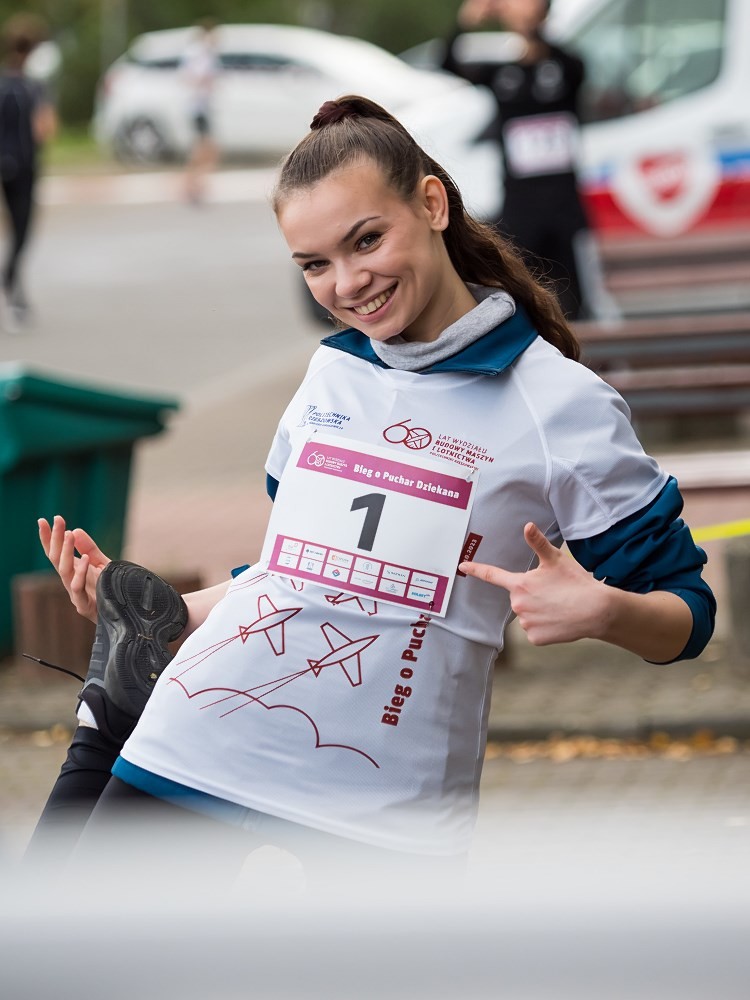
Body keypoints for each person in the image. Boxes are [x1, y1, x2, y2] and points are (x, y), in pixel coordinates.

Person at [25, 95, 714, 891]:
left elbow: (688, 616)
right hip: (201, 738)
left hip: (388, 811)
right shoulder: (331, 374)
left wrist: (603, 610)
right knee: (63, 939)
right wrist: (162, 615)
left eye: (367, 240)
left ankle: (111, 716)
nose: (349, 283)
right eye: (314, 264)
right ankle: (117, 708)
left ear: (432, 203)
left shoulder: (561, 405)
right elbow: (294, 579)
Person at [442, 0, 616, 320]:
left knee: (577, 296)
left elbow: (573, 62)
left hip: (564, 206)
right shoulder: (502, 74)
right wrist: (464, 24)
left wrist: (531, 25)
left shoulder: (565, 68)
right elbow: (449, 64)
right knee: (524, 292)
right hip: (521, 206)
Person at [0, 14, 57, 333]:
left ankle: (15, 291)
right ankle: (11, 284)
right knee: (21, 232)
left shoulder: (2, 83)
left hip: (4, 164)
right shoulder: (34, 87)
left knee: (12, 230)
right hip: (24, 167)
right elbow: (45, 129)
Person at [180, 18, 220, 205]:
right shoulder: (200, 54)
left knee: (205, 148)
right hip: (198, 106)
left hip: (201, 106)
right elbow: (195, 77)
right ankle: (192, 184)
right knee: (205, 148)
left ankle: (195, 184)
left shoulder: (200, 54)